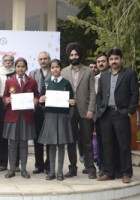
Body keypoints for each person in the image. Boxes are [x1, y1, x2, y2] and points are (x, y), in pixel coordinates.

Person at [96, 48, 139, 184]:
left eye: (116, 59)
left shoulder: (129, 74)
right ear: (109, 61)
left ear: (121, 60)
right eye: (112, 59)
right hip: (106, 114)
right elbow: (100, 95)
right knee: (107, 144)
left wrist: (129, 111)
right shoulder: (103, 75)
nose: (114, 61)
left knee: (124, 144)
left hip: (121, 114)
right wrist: (99, 109)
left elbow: (135, 94)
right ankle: (109, 172)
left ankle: (126, 173)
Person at [61, 42, 97, 179]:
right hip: (69, 112)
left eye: (76, 54)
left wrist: (91, 109)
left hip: (85, 111)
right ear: (69, 56)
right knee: (70, 141)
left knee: (87, 141)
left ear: (79, 55)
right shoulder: (63, 71)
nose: (74, 56)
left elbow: (93, 92)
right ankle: (72, 168)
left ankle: (90, 168)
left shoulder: (88, 71)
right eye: (71, 54)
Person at [38, 59, 75, 181]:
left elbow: (71, 100)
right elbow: (42, 102)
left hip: (63, 116)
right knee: (51, 145)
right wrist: (41, 100)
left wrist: (72, 102)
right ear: (50, 69)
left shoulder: (66, 83)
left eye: (57, 67)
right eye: (52, 67)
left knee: (61, 144)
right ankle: (51, 172)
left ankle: (60, 172)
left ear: (60, 68)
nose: (55, 69)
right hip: (50, 116)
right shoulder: (47, 83)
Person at [3, 57, 39, 179]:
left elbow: (37, 95)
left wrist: (36, 100)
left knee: (24, 143)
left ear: (26, 68)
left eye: (23, 66)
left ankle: (23, 169)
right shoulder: (9, 81)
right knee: (12, 144)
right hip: (12, 116)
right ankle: (11, 169)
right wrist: (6, 100)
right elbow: (4, 96)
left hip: (26, 116)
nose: (20, 68)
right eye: (18, 66)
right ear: (15, 67)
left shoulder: (32, 81)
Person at [0, 54, 20, 172]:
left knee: (16, 136)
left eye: (10, 61)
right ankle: (2, 163)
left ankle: (15, 163)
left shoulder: (18, 74)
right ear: (2, 62)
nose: (8, 63)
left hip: (16, 106)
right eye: (6, 61)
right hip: (1, 105)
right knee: (2, 135)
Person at [29, 51, 51, 174]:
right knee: (37, 138)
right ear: (38, 61)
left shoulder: (54, 72)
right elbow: (29, 91)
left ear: (49, 59)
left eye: (45, 59)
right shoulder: (33, 73)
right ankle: (39, 165)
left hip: (50, 110)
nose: (43, 61)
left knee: (48, 138)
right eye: (41, 59)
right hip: (36, 110)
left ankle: (48, 164)